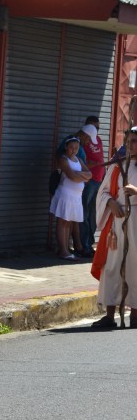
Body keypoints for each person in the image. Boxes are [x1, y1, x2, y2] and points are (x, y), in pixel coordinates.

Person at [91, 127, 137, 328]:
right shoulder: (117, 166)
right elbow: (102, 192)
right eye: (128, 140)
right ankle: (109, 316)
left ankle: (135, 314)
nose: (130, 144)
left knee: (135, 266)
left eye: (134, 140)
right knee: (111, 266)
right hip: (117, 223)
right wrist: (111, 203)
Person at [49, 135, 91, 260]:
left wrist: (79, 174)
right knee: (62, 222)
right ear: (66, 147)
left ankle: (66, 248)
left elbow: (89, 174)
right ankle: (63, 250)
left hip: (76, 197)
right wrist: (80, 176)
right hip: (65, 195)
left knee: (68, 222)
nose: (74, 149)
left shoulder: (79, 159)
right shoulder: (63, 159)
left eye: (76, 147)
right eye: (71, 147)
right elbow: (71, 176)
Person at [80, 119, 105, 257]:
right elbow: (82, 162)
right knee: (84, 213)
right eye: (94, 127)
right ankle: (84, 245)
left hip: (99, 180)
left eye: (98, 128)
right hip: (88, 181)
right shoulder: (83, 141)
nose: (97, 130)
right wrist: (93, 164)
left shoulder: (98, 140)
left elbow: (100, 157)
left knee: (93, 214)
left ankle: (89, 243)